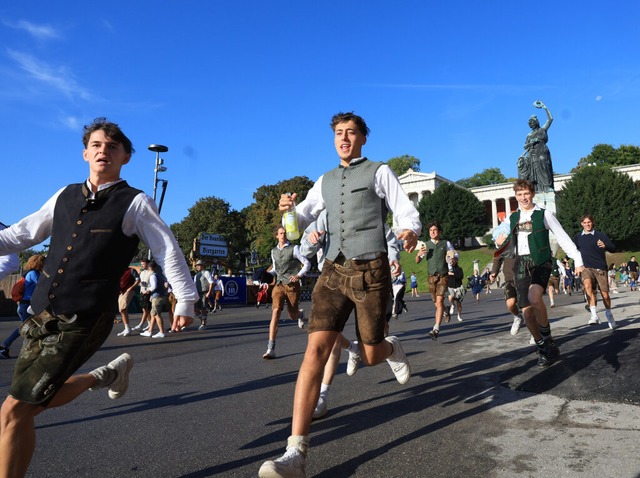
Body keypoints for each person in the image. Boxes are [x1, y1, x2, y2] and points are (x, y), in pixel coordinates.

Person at [0, 117, 197, 477]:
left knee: (15, 411)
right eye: (96, 145)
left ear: (125, 158)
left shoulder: (135, 202)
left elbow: (167, 250)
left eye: (113, 146)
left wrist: (184, 299)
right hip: (42, 313)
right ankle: (102, 376)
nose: (103, 150)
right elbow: (19, 235)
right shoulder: (64, 195)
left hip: (85, 317)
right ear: (85, 153)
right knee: (21, 409)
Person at [259, 112, 420, 478]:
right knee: (314, 351)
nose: (343, 138)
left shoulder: (379, 171)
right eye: (338, 133)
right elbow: (301, 221)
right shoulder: (325, 180)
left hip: (370, 272)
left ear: (363, 138)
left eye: (350, 133)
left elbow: (406, 211)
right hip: (332, 271)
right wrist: (288, 213)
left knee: (370, 352)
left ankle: (391, 348)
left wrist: (409, 231)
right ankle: (295, 453)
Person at [507, 179, 583, 367]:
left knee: (534, 298)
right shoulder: (513, 218)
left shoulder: (544, 214)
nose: (523, 197)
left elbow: (562, 236)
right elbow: (507, 241)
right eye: (519, 194)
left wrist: (578, 259)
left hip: (540, 261)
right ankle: (542, 347)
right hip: (521, 263)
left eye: (526, 193)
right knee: (527, 314)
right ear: (515, 196)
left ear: (532, 194)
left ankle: (547, 339)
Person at [262, 225, 310, 359]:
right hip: (279, 285)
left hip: (292, 286)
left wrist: (299, 275)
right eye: (281, 233)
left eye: (285, 233)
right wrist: (266, 274)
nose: (283, 235)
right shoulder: (273, 251)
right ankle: (270, 349)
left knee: (292, 316)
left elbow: (306, 263)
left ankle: (299, 314)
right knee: (276, 312)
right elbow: (275, 269)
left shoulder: (294, 248)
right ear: (276, 236)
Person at [415, 221, 456, 340]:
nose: (432, 232)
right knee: (436, 303)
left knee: (438, 302)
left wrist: (453, 260)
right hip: (431, 278)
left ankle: (436, 328)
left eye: (435, 230)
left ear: (439, 232)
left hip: (443, 276)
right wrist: (418, 254)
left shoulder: (446, 243)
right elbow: (417, 261)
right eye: (430, 231)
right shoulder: (425, 245)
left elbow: (454, 255)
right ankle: (445, 310)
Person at [574, 215, 617, 329]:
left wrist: (605, 245)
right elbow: (574, 251)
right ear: (581, 224)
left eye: (589, 222)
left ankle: (609, 313)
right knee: (587, 286)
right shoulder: (578, 237)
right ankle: (594, 315)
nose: (587, 224)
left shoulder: (600, 235)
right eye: (585, 222)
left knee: (605, 295)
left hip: (600, 267)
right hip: (586, 268)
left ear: (592, 223)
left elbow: (613, 248)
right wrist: (572, 264)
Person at [0, 254, 45, 359]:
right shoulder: (33, 273)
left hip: (26, 305)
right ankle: (5, 347)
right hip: (26, 305)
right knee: (26, 327)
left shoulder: (31, 273)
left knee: (28, 327)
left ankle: (7, 347)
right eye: (44, 262)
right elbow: (42, 285)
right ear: (39, 263)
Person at [490, 220, 525, 336]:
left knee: (527, 307)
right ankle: (517, 317)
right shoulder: (503, 248)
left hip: (523, 278)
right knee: (510, 303)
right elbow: (497, 259)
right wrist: (494, 272)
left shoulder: (520, 244)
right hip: (509, 279)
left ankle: (534, 334)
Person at [517, 101, 554, 193]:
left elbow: (550, 119)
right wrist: (530, 143)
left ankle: (547, 187)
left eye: (534, 123)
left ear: (537, 123)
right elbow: (525, 146)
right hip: (532, 154)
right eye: (531, 124)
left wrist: (544, 107)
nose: (532, 125)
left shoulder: (543, 129)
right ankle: (536, 189)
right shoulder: (529, 135)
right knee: (534, 172)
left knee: (544, 169)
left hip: (542, 152)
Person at [141, 261, 169, 338]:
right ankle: (150, 331)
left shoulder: (153, 276)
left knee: (156, 314)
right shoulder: (161, 275)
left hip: (157, 296)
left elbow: (154, 286)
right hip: (161, 295)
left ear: (150, 268)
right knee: (153, 313)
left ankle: (161, 332)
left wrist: (148, 290)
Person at [115, 266, 140, 337]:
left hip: (128, 291)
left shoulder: (131, 270)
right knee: (121, 310)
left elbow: (138, 280)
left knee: (123, 308)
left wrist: (131, 288)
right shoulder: (118, 272)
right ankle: (127, 328)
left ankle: (127, 328)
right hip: (121, 292)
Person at [131, 258, 152, 332]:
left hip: (148, 293)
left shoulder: (151, 273)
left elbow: (153, 284)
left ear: (147, 264)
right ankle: (149, 323)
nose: (142, 265)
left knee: (145, 309)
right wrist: (140, 284)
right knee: (145, 310)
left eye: (143, 264)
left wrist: (148, 289)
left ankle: (141, 324)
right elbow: (139, 282)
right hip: (142, 292)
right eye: (141, 264)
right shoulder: (142, 273)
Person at [193, 259, 213, 330]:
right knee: (195, 309)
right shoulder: (196, 275)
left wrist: (209, 293)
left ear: (202, 266)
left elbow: (211, 283)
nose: (197, 267)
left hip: (205, 292)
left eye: (198, 265)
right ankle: (202, 320)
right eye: (196, 266)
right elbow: (194, 285)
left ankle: (203, 324)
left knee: (204, 308)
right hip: (197, 293)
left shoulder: (207, 273)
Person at [446, 256, 465, 322]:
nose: (451, 262)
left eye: (453, 261)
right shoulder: (447, 269)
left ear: (456, 261)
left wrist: (452, 274)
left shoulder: (459, 269)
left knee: (459, 303)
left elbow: (461, 276)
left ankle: (459, 316)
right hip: (450, 286)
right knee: (450, 297)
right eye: (450, 261)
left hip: (458, 287)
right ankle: (452, 305)